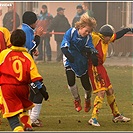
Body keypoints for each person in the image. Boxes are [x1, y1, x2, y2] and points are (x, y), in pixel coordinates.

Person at [0, 29, 49, 131]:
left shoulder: (4, 54)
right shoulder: (27, 56)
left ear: (11, 41)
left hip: (8, 87)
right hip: (23, 88)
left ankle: (18, 129)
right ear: (24, 42)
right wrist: (43, 90)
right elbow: (35, 77)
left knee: (11, 112)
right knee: (22, 107)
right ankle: (27, 125)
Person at [88, 24, 133, 126]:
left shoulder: (106, 38)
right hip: (94, 67)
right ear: (104, 35)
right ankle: (93, 118)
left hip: (101, 67)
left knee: (110, 90)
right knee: (102, 92)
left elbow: (117, 35)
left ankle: (116, 115)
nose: (110, 39)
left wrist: (127, 29)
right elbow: (86, 39)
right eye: (109, 36)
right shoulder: (95, 37)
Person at [60, 13, 98, 113]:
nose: (87, 33)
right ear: (81, 27)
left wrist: (92, 53)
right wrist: (68, 55)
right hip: (70, 59)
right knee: (70, 80)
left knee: (86, 86)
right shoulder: (71, 32)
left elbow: (91, 48)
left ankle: (87, 99)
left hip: (81, 61)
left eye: (89, 32)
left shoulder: (88, 38)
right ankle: (77, 99)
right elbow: (64, 46)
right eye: (86, 31)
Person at [22, 11, 47, 127]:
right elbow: (29, 46)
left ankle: (31, 118)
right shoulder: (26, 31)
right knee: (39, 91)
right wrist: (38, 36)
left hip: (27, 67)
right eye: (36, 21)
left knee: (33, 93)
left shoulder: (26, 29)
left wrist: (33, 50)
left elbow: (29, 48)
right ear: (33, 22)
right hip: (26, 69)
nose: (37, 23)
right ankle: (32, 120)